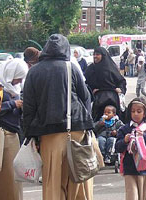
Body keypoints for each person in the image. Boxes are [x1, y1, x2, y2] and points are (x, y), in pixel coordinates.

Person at [23, 34, 94, 200]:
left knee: (53, 181)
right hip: (76, 128)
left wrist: (30, 135)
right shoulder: (71, 67)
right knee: (78, 178)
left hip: (49, 134)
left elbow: (29, 107)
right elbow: (85, 97)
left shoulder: (34, 72)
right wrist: (88, 123)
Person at [115, 97, 146, 200]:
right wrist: (125, 141)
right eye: (133, 111)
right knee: (132, 195)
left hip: (144, 168)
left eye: (139, 111)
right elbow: (118, 147)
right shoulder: (124, 129)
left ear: (145, 113)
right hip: (129, 168)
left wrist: (144, 137)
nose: (135, 114)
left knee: (143, 196)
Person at [0, 58, 28, 200]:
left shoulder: (13, 89)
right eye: (18, 78)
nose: (19, 82)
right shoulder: (0, 87)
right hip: (2, 135)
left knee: (12, 178)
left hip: (12, 135)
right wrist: (12, 104)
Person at [85, 47, 127, 122]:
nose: (95, 56)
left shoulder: (111, 68)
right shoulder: (91, 68)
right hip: (96, 101)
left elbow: (121, 81)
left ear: (103, 55)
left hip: (112, 100)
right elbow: (85, 84)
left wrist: (120, 89)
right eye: (94, 54)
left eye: (97, 54)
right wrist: (91, 91)